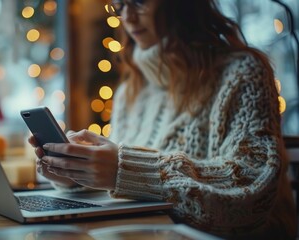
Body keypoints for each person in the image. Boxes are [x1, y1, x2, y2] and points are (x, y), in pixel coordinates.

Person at [28, 0, 297, 239]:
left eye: (139, 2)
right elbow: (123, 189)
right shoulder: (130, 91)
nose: (128, 17)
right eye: (120, 6)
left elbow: (252, 193)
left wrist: (126, 170)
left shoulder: (242, 73)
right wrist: (76, 176)